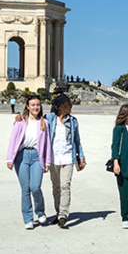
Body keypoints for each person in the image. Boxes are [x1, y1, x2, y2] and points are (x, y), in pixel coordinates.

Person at [6, 95, 51, 230]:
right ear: (27, 106)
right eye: (33, 105)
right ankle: (28, 219)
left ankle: (40, 211)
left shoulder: (44, 123)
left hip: (37, 157)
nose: (36, 107)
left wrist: (47, 161)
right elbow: (13, 140)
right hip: (22, 156)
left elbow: (47, 144)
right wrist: (9, 158)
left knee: (35, 187)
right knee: (25, 190)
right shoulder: (20, 122)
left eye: (38, 105)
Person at [46, 94, 86, 228]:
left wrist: (81, 157)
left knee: (65, 186)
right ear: (61, 106)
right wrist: (20, 118)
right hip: (53, 158)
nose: (71, 106)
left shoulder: (73, 121)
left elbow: (77, 141)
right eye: (69, 104)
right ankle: (58, 212)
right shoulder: (49, 119)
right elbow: (33, 119)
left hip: (68, 157)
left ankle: (63, 214)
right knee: (56, 187)